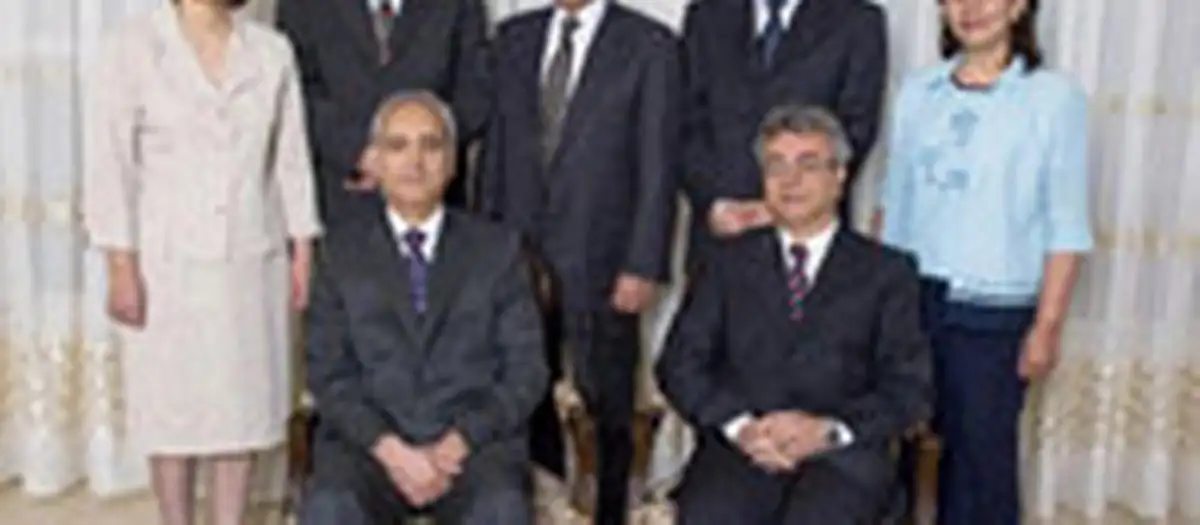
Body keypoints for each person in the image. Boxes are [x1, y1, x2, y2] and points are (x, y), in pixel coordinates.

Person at [81, 1, 322, 524]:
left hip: (250, 262)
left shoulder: (271, 52)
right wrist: (120, 265)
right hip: (164, 267)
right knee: (171, 414)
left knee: (240, 411)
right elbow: (110, 165)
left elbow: (291, 158)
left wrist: (303, 246)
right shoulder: (131, 48)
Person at [657, 105, 931, 524]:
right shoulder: (724, 264)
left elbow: (909, 389)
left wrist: (827, 430)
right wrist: (742, 427)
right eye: (777, 166)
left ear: (839, 176)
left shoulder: (888, 272)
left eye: (808, 165)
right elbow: (680, 365)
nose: (791, 180)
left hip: (842, 460)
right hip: (741, 453)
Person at [874, 1, 1093, 524]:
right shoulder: (918, 91)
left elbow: (1066, 224)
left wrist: (1046, 327)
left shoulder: (1054, 99)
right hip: (911, 301)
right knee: (891, 456)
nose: (970, 9)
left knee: (980, 464)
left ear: (1018, 7)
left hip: (992, 312)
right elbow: (892, 204)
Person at [301, 91, 547, 525]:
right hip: (369, 449)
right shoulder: (338, 254)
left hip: (474, 449)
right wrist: (390, 450)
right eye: (398, 146)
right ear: (375, 161)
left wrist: (458, 443)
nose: (414, 162)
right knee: (330, 506)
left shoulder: (498, 251)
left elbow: (526, 371)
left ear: (452, 163)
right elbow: (328, 373)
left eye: (431, 146)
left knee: (502, 508)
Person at [479, 1, 682, 523]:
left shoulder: (649, 45)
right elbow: (496, 152)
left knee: (608, 403)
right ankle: (544, 507)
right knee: (524, 392)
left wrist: (645, 262)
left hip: (606, 257)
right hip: (518, 254)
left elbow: (658, 161)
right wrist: (485, 250)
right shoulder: (513, 39)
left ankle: (610, 512)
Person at [679, 0, 888, 267]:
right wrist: (714, 202)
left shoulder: (858, 21)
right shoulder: (706, 16)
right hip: (719, 237)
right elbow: (685, 124)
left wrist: (783, 204)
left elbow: (855, 129)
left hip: (809, 241)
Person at [275, 0, 490, 223]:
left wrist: (419, 151)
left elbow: (474, 94)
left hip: (436, 204)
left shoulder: (460, 5)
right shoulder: (302, 5)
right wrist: (359, 152)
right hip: (337, 199)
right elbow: (294, 94)